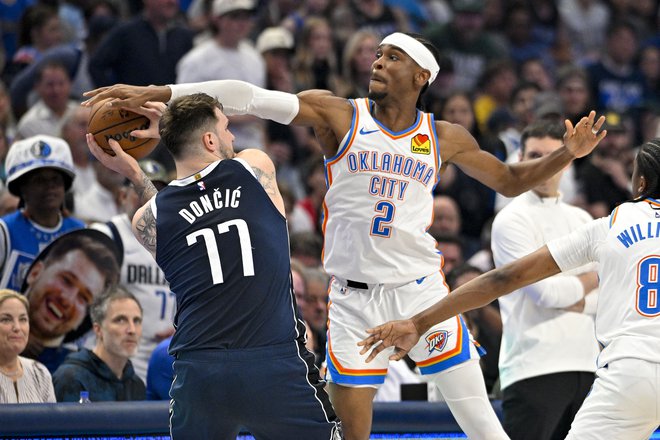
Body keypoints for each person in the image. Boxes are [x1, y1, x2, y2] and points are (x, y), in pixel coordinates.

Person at [82, 31, 605, 440]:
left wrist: (568, 154)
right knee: (350, 434)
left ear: (422, 74)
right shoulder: (340, 115)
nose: (378, 62)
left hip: (421, 290)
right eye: (376, 55)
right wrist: (164, 93)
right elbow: (250, 97)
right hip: (353, 301)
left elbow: (512, 180)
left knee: (485, 427)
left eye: (392, 57)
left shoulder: (443, 136)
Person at [360, 137, 660, 439]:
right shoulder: (526, 220)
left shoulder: (613, 223)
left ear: (641, 184)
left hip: (632, 370)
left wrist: (419, 321)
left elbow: (504, 279)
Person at [85, 93, 341, 439]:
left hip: (201, 370)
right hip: (273, 359)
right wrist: (170, 125)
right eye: (226, 128)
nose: (232, 137)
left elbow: (168, 213)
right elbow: (220, 161)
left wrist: (135, 171)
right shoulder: (255, 167)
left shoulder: (147, 218)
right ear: (209, 139)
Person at [490, 121, 600, 439]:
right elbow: (544, 294)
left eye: (553, 155)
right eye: (535, 154)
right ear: (520, 159)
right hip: (532, 367)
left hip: (588, 366)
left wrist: (576, 293)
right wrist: (589, 282)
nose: (543, 163)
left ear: (567, 160)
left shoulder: (582, 220)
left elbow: (608, 295)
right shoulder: (510, 220)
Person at [90, 159, 174, 381]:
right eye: (140, 189)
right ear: (122, 196)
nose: (148, 197)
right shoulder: (107, 235)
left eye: (156, 191)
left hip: (167, 358)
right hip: (122, 360)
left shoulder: (176, 238)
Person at [21, 229, 120, 373]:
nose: (67, 299)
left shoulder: (76, 375)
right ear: (35, 273)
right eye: (66, 280)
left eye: (84, 297)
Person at [0, 134, 84, 292]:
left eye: (56, 180)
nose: (49, 186)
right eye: (39, 180)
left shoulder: (80, 232)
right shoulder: (5, 231)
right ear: (22, 188)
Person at [52, 286, 145, 402]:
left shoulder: (137, 385)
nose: (132, 330)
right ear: (98, 329)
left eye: (137, 321)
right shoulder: (71, 379)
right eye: (121, 320)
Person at [0, 289, 55, 403]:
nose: (17, 327)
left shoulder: (39, 372)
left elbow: (51, 421)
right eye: (6, 319)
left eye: (23, 319)